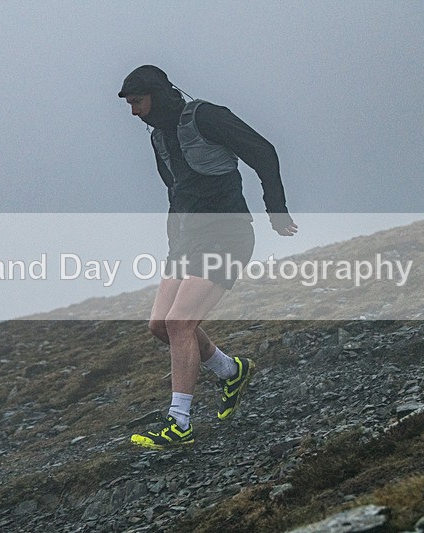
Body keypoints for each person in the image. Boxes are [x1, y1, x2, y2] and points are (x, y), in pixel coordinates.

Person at [118, 65, 297, 450]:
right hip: (187, 243)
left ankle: (179, 422)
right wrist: (174, 244)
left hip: (227, 235)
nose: (134, 112)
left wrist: (276, 209)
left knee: (180, 323)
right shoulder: (159, 138)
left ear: (157, 94)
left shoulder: (206, 116)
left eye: (137, 102)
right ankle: (231, 371)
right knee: (160, 326)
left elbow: (263, 152)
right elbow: (176, 193)